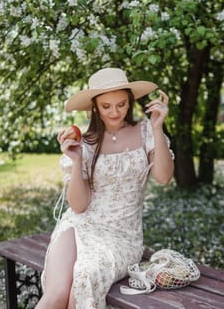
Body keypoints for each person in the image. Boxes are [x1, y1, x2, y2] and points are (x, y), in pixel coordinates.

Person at [35, 67, 174, 309]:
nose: (115, 112)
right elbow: (78, 206)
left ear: (129, 102)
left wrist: (158, 128)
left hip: (122, 237)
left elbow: (163, 177)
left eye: (121, 104)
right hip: (80, 225)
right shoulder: (85, 142)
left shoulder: (145, 132)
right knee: (57, 294)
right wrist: (77, 161)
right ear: (95, 107)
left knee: (85, 277)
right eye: (106, 106)